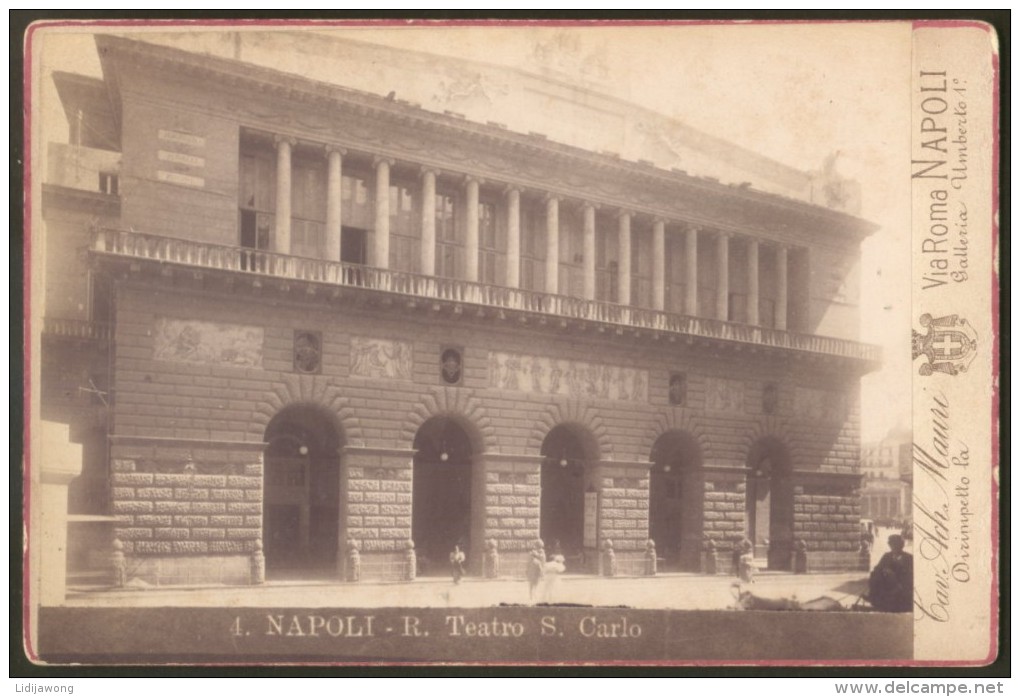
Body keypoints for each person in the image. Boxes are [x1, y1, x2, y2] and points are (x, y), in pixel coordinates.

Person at [868, 534, 913, 612]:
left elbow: (910, 575)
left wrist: (895, 575)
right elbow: (878, 568)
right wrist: (883, 570)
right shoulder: (887, 556)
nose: (893, 547)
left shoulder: (908, 558)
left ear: (901, 545)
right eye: (892, 545)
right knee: (875, 575)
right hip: (887, 583)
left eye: (896, 545)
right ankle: (875, 599)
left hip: (900, 584)